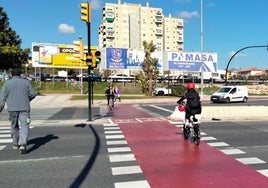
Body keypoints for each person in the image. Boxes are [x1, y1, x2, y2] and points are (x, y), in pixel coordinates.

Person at [0, 68, 37, 154]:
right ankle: (23, 144)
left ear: (11, 75)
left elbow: (2, 98)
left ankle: (15, 143)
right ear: (20, 74)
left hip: (12, 108)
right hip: (24, 108)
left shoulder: (7, 83)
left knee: (14, 125)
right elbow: (33, 93)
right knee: (24, 125)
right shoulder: (26, 82)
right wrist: (28, 99)